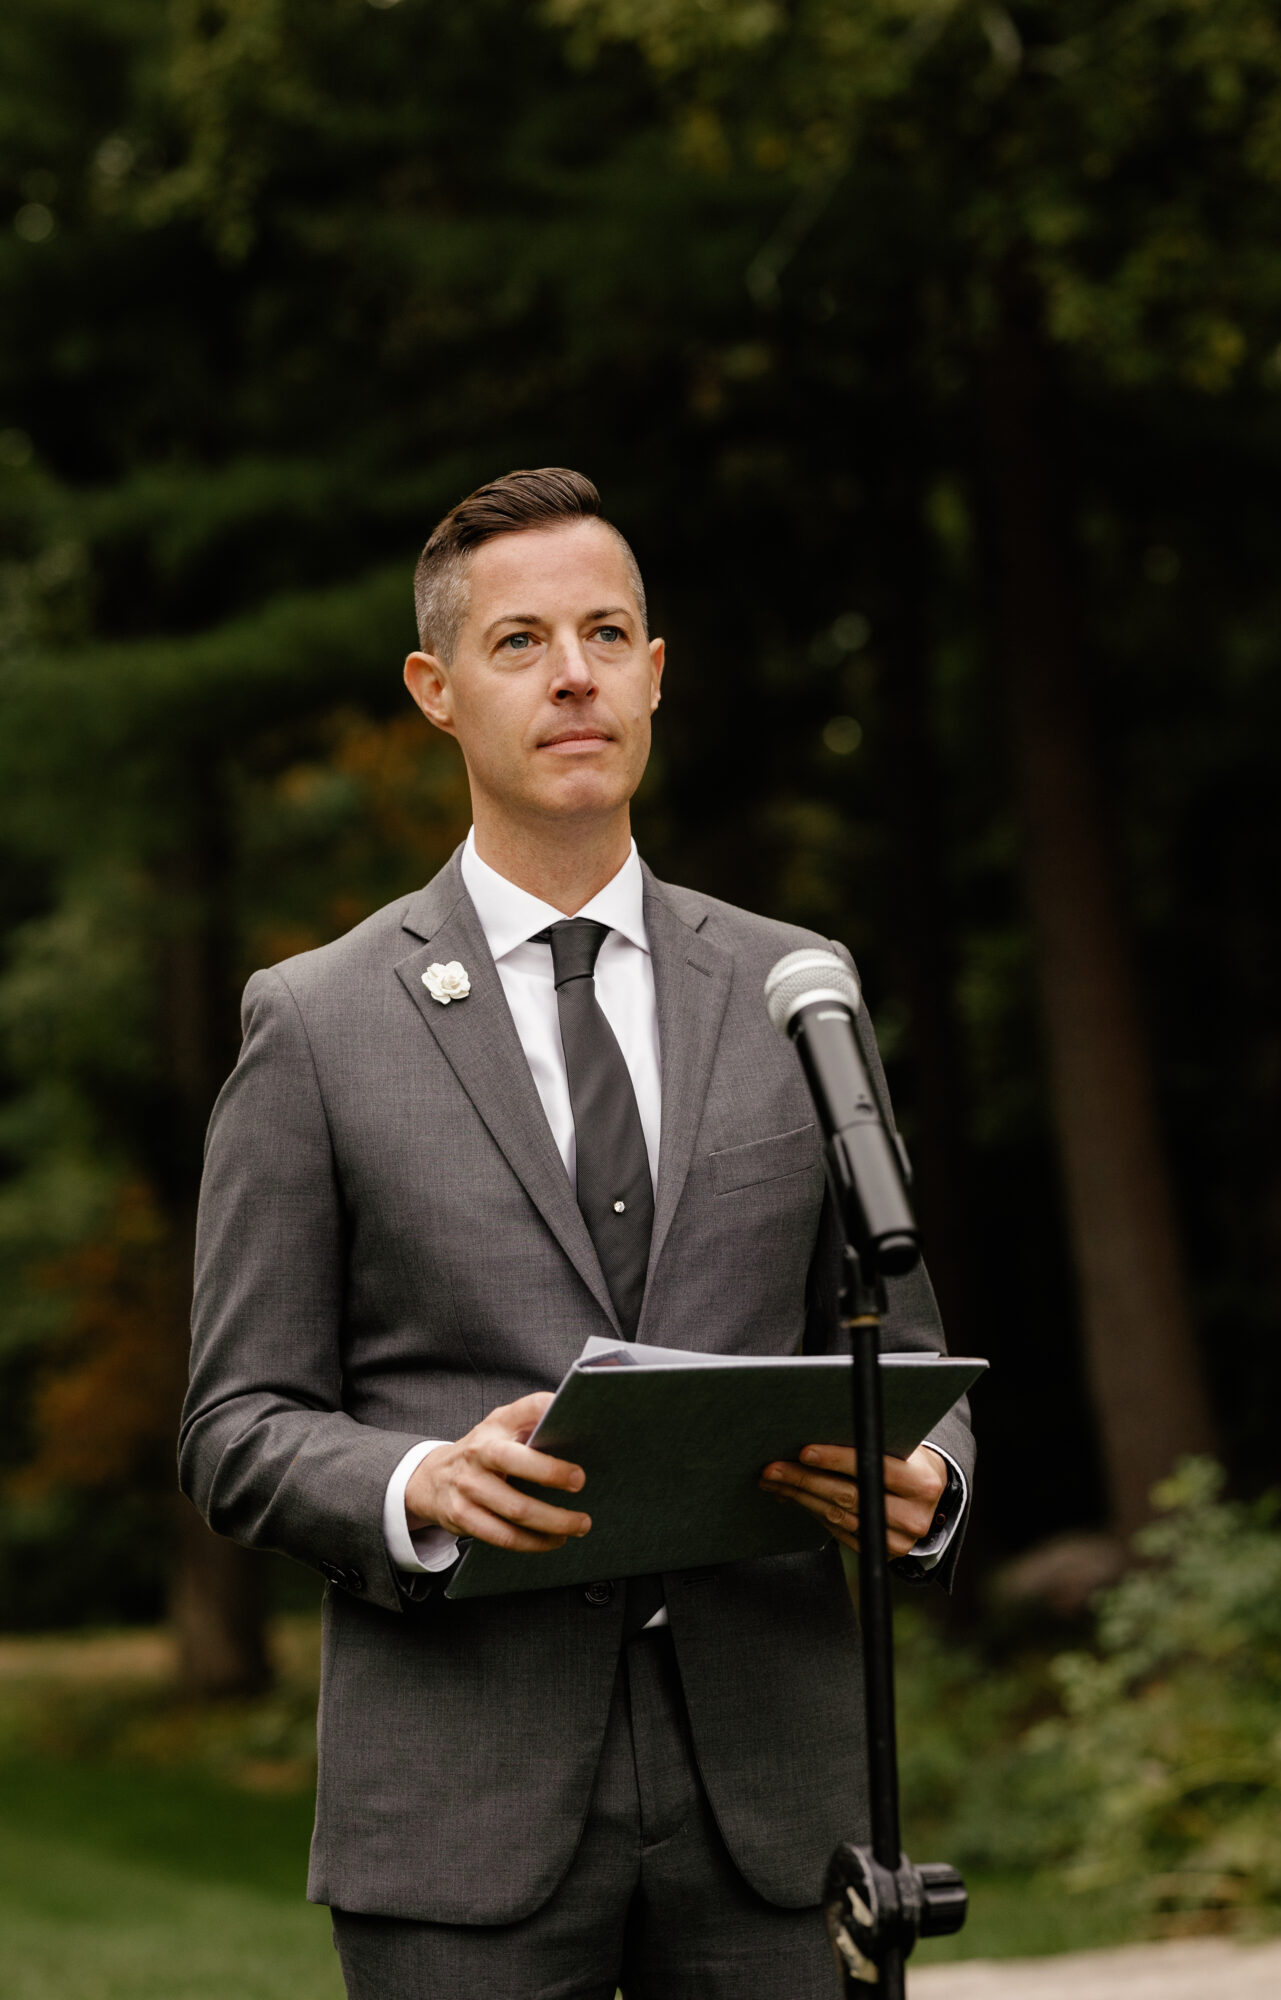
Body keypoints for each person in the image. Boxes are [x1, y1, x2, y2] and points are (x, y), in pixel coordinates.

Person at [181, 467, 973, 2000]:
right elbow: (235, 1425)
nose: (572, 675)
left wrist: (929, 1483)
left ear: (654, 674)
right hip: (459, 1803)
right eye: (519, 641)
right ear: (436, 690)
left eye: (606, 635)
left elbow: (906, 1343)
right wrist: (417, 1483)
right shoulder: (317, 1023)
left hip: (774, 1804)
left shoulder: (797, 987)